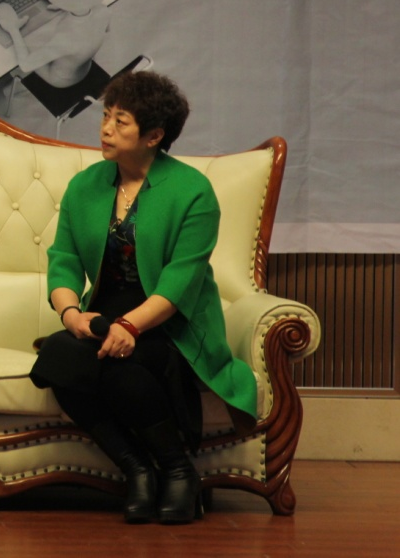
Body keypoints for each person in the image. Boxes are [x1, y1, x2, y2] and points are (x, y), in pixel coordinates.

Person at [29, 70, 257, 525]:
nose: (106, 129)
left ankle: (177, 470)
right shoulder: (85, 185)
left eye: (121, 121)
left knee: (119, 364)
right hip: (105, 312)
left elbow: (179, 280)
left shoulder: (192, 192)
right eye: (106, 116)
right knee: (57, 357)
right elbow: (64, 259)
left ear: (154, 136)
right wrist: (71, 313)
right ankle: (137, 468)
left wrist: (131, 326)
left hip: (169, 322)